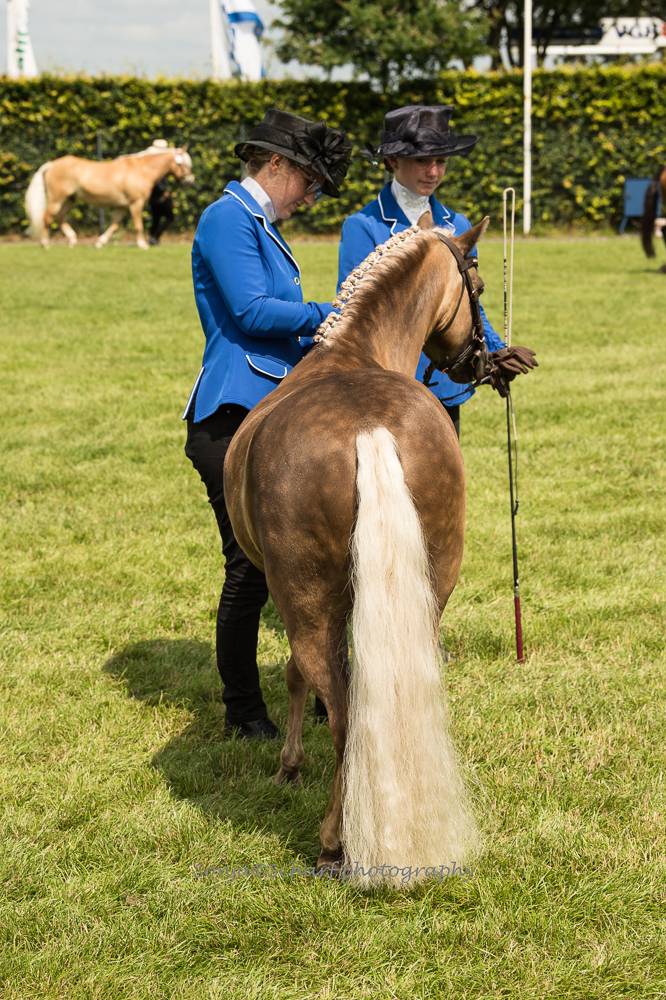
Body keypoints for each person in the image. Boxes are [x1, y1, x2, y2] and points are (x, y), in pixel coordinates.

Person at [182, 109, 351, 740]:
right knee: (249, 571)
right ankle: (244, 710)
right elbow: (253, 313)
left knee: (316, 563)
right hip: (232, 414)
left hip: (281, 414)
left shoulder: (262, 225)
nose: (311, 197)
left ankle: (325, 690)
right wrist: (331, 312)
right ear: (275, 164)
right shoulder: (226, 217)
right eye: (309, 182)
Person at [338, 104, 536, 436]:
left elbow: (468, 304)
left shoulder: (458, 225)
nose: (433, 172)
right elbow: (352, 314)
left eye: (441, 161)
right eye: (422, 161)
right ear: (393, 161)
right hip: (385, 388)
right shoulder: (362, 226)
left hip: (445, 383)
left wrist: (495, 351)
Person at [148, 178, 174, 244]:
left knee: (168, 218)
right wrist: (164, 191)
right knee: (156, 220)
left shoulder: (164, 176)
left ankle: (154, 237)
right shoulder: (157, 176)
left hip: (162, 201)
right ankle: (153, 238)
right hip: (156, 201)